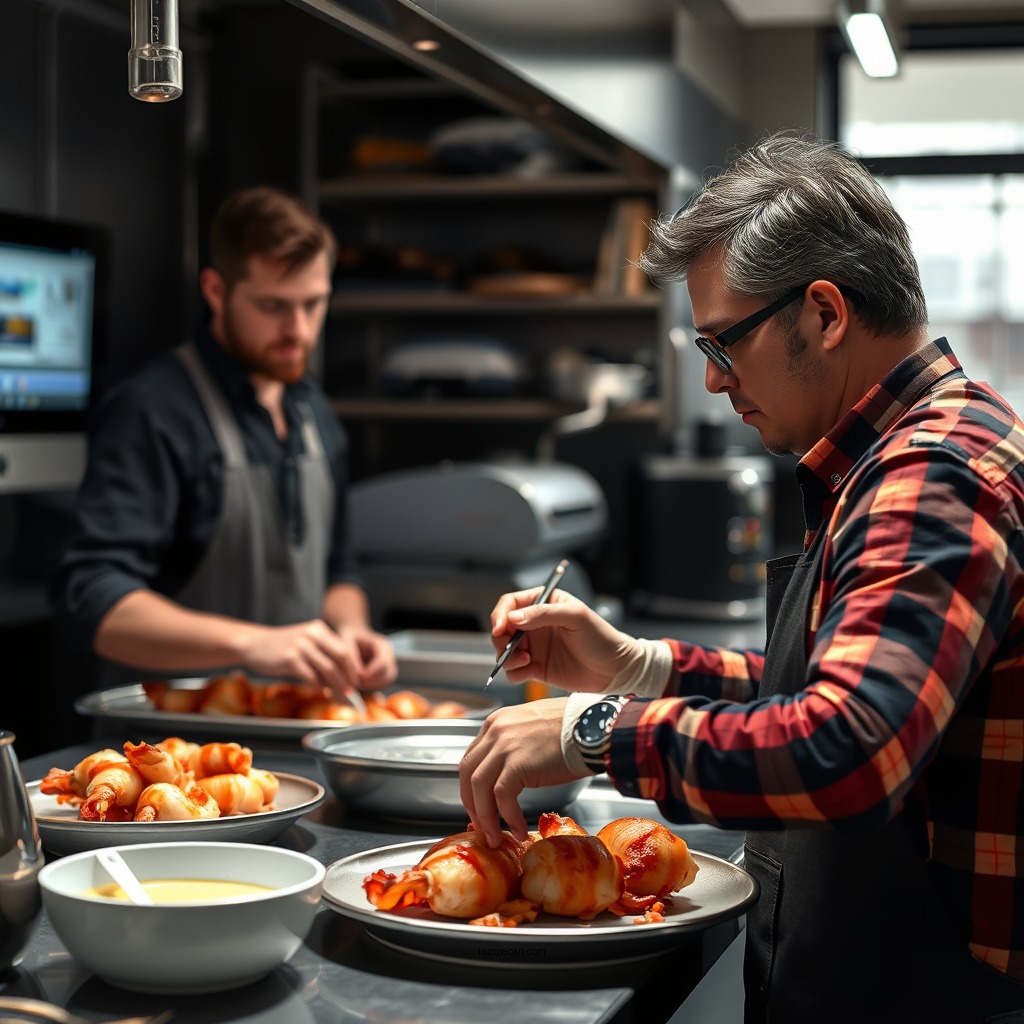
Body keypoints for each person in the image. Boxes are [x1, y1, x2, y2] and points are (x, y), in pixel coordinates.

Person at [459, 132, 1024, 1023]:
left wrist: (600, 733)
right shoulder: (907, 452)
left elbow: (849, 745)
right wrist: (638, 670)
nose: (717, 383)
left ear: (825, 313)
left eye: (724, 344)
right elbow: (851, 683)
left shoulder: (930, 471)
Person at [51, 185, 396, 701]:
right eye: (273, 306)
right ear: (215, 290)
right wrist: (250, 643)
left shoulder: (313, 410)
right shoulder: (152, 410)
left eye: (313, 303)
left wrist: (352, 631)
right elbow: (93, 599)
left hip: (284, 732)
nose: (298, 330)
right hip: (163, 752)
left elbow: (338, 569)